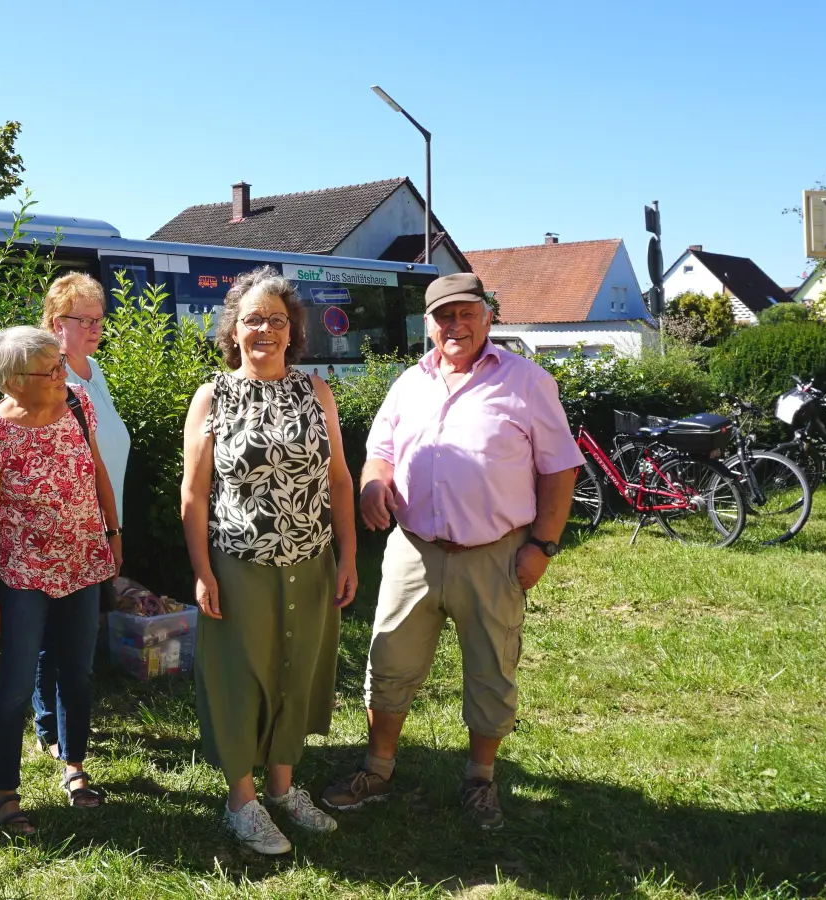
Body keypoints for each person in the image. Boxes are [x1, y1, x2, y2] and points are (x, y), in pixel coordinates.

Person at [320, 272, 582, 830]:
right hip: (413, 550)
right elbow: (381, 452)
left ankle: (480, 780)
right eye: (443, 316)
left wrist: (543, 545)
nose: (455, 325)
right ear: (429, 325)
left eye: (466, 312)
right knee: (388, 665)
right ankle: (377, 770)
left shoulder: (528, 383)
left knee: (491, 671)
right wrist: (373, 484)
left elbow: (560, 470)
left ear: (487, 315)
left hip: (495, 554)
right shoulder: (407, 384)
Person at [179, 267, 359, 855]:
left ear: (292, 330)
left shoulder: (316, 392)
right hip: (238, 564)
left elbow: (338, 479)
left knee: (296, 672)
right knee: (239, 679)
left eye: (276, 320)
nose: (265, 330)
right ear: (233, 328)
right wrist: (203, 570)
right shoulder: (214, 394)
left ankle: (282, 788)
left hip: (310, 562)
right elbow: (194, 492)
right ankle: (242, 801)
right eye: (253, 319)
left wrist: (349, 553)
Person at [0, 326, 122, 835]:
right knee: (15, 683)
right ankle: (6, 792)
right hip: (23, 572)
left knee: (78, 671)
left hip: (82, 560)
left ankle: (74, 764)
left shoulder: (78, 404)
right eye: (51, 369)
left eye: (61, 365)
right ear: (14, 381)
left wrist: (112, 530)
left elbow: (97, 468)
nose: (63, 374)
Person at [32, 273, 130, 761]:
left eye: (99, 319)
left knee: (79, 629)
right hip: (62, 524)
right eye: (84, 320)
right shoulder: (48, 377)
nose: (95, 328)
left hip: (99, 519)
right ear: (56, 323)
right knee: (55, 629)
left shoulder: (94, 369)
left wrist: (113, 524)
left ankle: (62, 718)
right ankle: (49, 726)